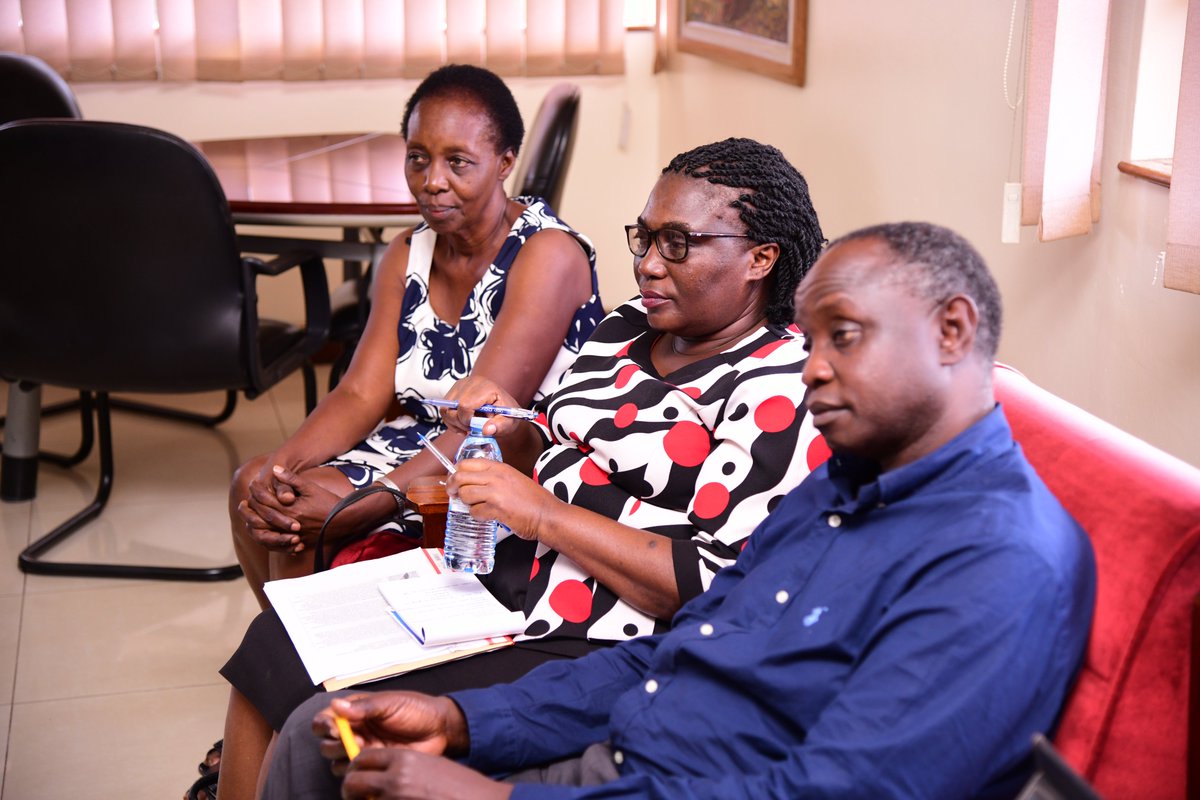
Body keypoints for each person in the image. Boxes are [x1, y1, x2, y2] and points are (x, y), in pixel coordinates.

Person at [263, 221, 1098, 800]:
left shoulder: (998, 560)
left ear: (954, 330)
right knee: (326, 743)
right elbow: (670, 654)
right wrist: (461, 721)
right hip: (627, 758)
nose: (811, 369)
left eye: (843, 335)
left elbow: (832, 792)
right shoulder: (841, 487)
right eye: (808, 340)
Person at [214, 137, 829, 800]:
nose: (649, 265)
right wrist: (509, 431)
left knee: (321, 723)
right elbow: (557, 450)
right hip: (503, 578)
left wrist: (539, 512)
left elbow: (708, 585)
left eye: (677, 242)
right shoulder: (629, 327)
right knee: (279, 638)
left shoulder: (778, 388)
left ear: (760, 259)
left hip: (599, 635)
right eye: (644, 237)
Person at [230, 64, 605, 609]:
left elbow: (486, 424)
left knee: (312, 519)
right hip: (416, 442)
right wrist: (279, 472)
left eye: (458, 162)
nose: (432, 180)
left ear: (505, 163)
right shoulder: (407, 252)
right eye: (418, 158)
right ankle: (300, 671)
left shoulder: (546, 254)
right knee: (259, 487)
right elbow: (360, 394)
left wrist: (374, 500)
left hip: (504, 460)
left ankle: (318, 676)